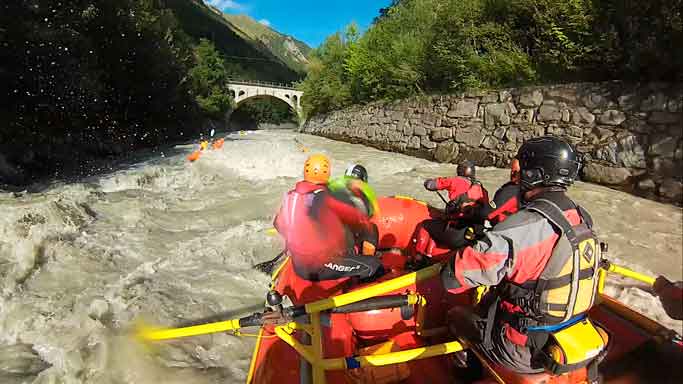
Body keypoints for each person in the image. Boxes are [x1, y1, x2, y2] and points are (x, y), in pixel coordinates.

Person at [440, 136, 606, 377]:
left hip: (521, 349)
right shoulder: (582, 217)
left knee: (455, 316)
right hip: (569, 333)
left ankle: (469, 375)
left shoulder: (519, 228)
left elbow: (452, 279)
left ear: (531, 174)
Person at [273, 155, 383, 281]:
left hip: (297, 263)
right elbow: (357, 219)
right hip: (318, 266)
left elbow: (277, 223)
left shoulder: (291, 196)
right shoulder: (326, 197)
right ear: (327, 174)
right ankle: (361, 284)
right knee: (374, 264)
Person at [421, 160, 489, 248]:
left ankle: (419, 258)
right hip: (475, 234)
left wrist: (427, 182)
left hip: (456, 232)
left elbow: (431, 185)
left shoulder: (455, 181)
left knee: (425, 224)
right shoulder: (483, 190)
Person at [475, 158, 523, 226]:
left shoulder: (511, 191)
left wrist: (473, 210)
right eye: (511, 170)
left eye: (515, 172)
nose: (512, 173)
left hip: (504, 230)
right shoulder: (529, 189)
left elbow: (488, 213)